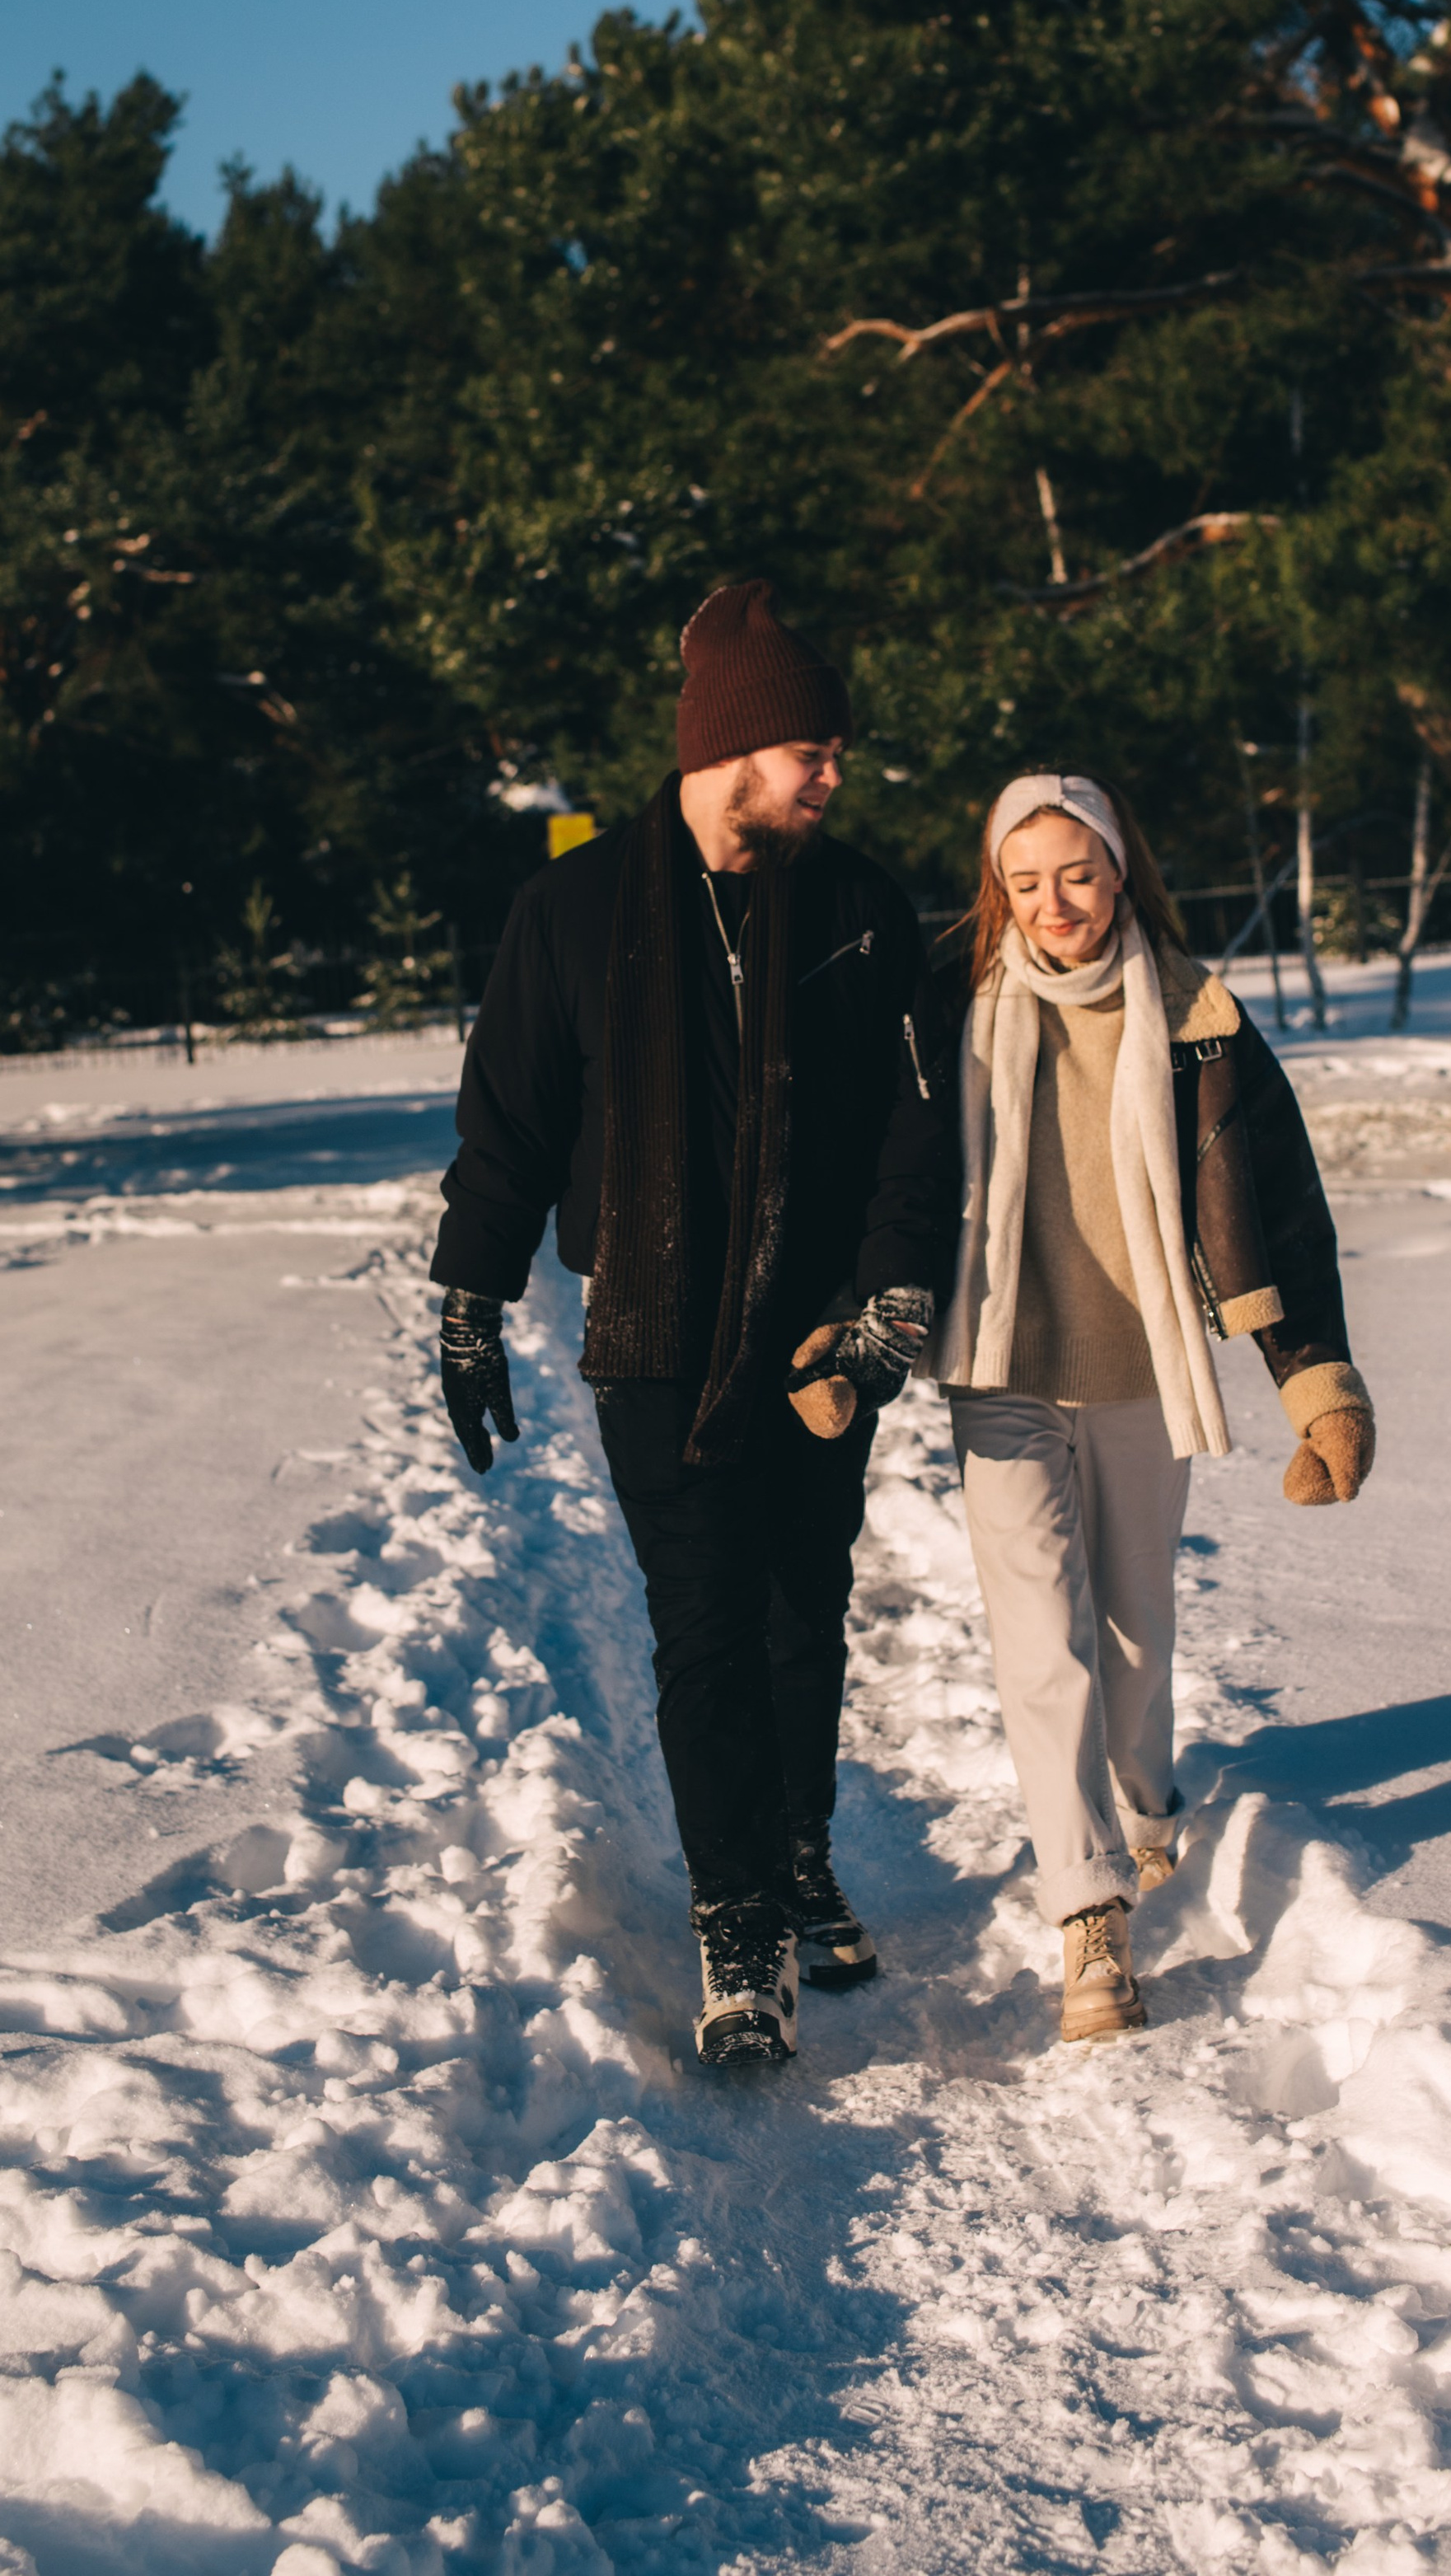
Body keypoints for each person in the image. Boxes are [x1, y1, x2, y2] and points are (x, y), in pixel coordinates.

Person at [431, 582, 958, 2068]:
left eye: (836, 754)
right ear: (732, 748)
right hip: (654, 1329)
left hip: (817, 1333)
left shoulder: (857, 908)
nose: (835, 776)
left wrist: (890, 1295)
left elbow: (917, 1131)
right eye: (814, 753)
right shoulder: (574, 909)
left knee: (803, 1605)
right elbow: (512, 1126)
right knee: (705, 1619)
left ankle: (798, 1857)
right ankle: (737, 1921)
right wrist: (471, 1299)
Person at [930, 770, 1374, 2047]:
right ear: (997, 891)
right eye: (1025, 882)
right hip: (1001, 1366)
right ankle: (1089, 1917)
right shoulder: (952, 1010)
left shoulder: (1199, 1018)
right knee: (1041, 1643)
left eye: (1077, 874)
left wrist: (1317, 1382)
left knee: (1134, 1631)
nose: (1054, 903)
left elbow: (1278, 1207)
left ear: (1122, 872)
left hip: (1141, 1364)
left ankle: (1145, 1809)